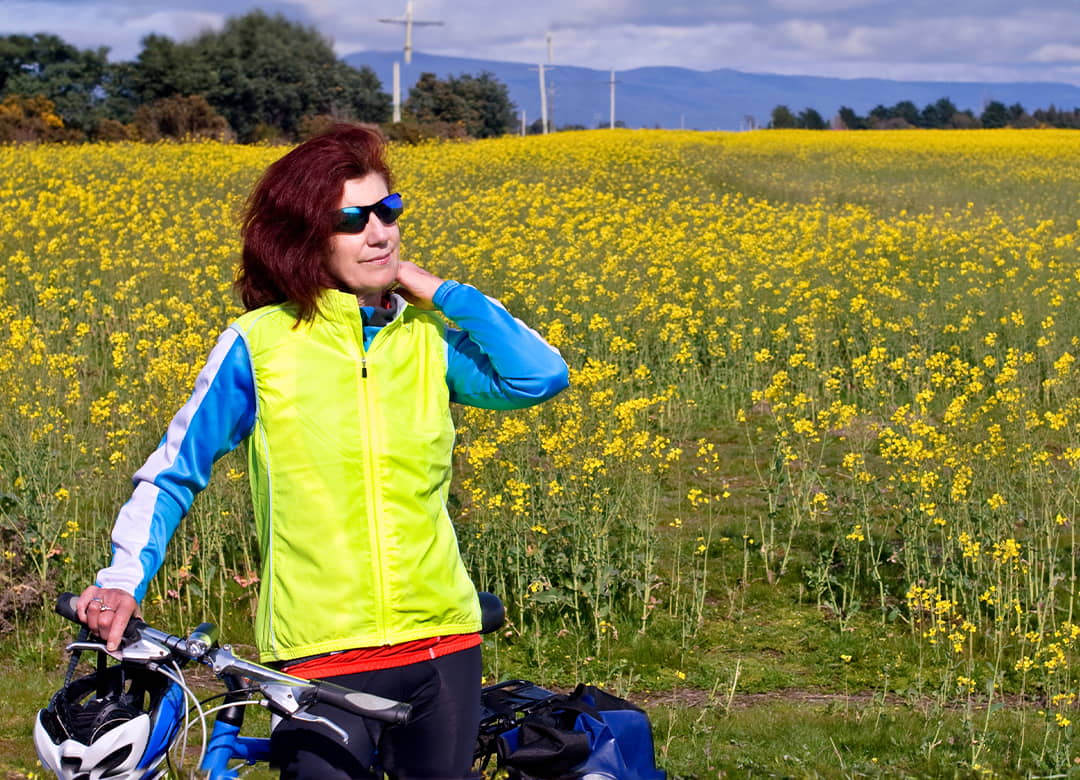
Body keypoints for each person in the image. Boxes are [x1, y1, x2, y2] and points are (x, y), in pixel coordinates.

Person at [75, 123, 569, 779]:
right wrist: (120, 582)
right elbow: (171, 474)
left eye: (388, 210)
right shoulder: (260, 345)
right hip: (318, 651)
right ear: (305, 236)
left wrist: (438, 290)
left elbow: (539, 375)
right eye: (352, 220)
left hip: (442, 645)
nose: (380, 232)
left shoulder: (425, 338)